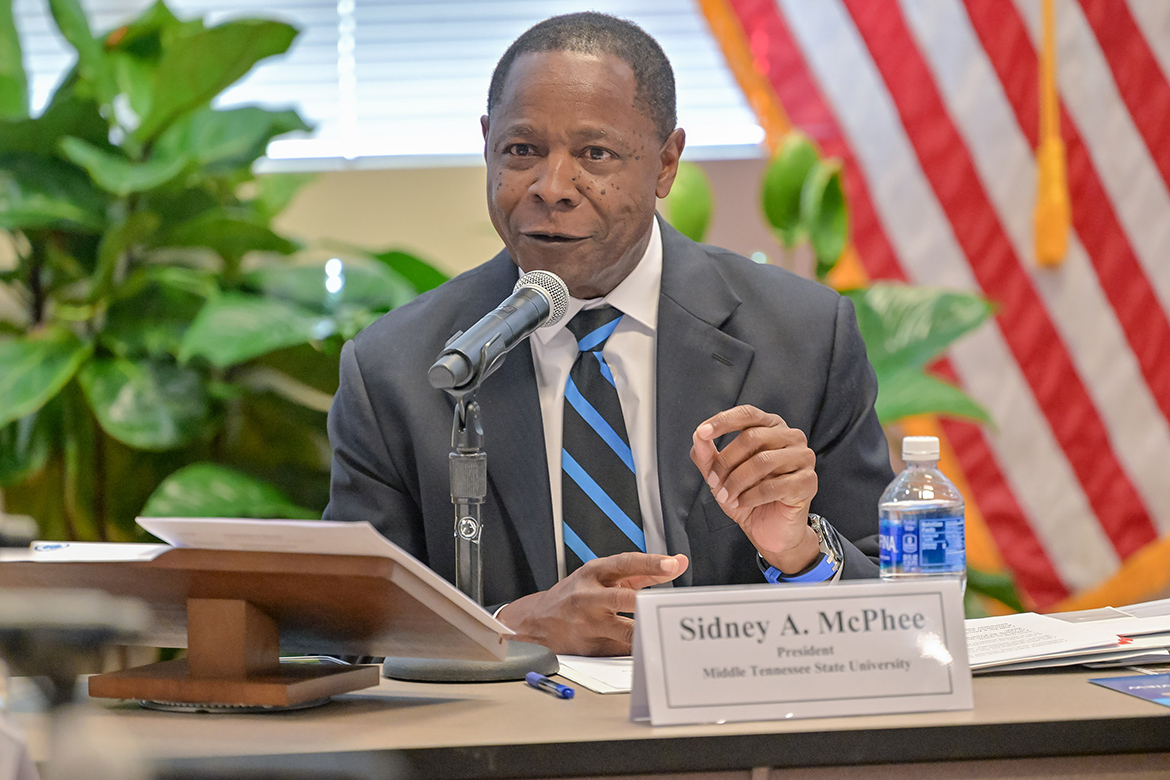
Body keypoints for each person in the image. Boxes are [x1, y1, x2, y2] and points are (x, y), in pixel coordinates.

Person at [323, 12, 892, 656]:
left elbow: (899, 612)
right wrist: (509, 629)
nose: (552, 188)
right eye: (522, 150)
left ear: (666, 163)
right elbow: (351, 634)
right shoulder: (398, 370)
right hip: (514, 718)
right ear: (487, 146)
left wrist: (799, 553)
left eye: (596, 154)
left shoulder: (805, 337)